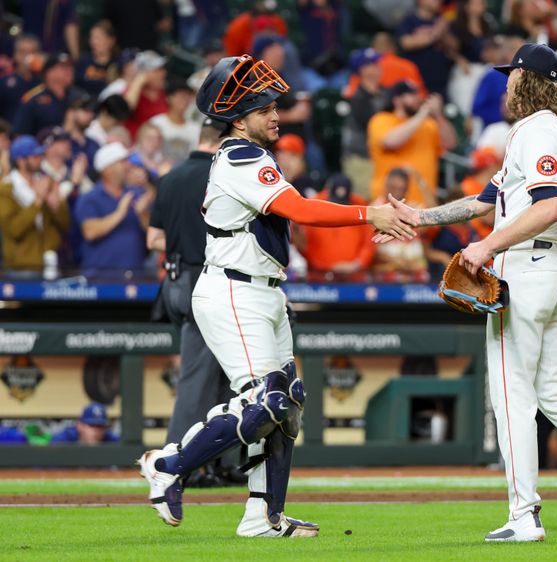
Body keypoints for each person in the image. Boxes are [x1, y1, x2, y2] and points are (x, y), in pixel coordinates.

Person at [384, 43, 557, 542]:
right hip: (552, 268)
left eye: (512, 75)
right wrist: (420, 218)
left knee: (513, 395)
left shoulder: (538, 131)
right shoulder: (535, 132)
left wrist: (488, 245)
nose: (506, 83)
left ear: (528, 80)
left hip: (529, 268)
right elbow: (486, 199)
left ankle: (523, 514)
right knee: (554, 391)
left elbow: (549, 205)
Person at [136, 53, 413, 538]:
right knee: (266, 403)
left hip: (263, 291)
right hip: (232, 291)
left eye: (274, 106)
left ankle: (263, 516)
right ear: (238, 118)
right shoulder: (240, 155)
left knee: (289, 401)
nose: (275, 114)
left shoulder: (255, 155)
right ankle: (170, 464)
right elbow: (299, 209)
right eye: (263, 108)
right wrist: (371, 214)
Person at [147, 119, 238, 483]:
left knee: (225, 377)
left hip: (179, 278)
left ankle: (222, 462)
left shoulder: (170, 177)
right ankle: (178, 464)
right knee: (202, 379)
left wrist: (181, 242)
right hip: (212, 280)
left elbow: (154, 239)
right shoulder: (223, 176)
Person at [367, 80, 456, 205]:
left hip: (423, 203)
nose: (418, 98)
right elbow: (391, 141)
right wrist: (423, 113)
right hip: (389, 203)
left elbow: (450, 143)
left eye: (417, 94)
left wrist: (438, 115)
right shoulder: (381, 119)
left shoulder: (428, 124)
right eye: (411, 95)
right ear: (397, 100)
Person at [74, 142, 152, 277]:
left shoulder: (136, 194)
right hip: (99, 278)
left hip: (134, 277)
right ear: (107, 169)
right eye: (122, 162)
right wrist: (120, 213)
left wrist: (143, 214)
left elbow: (152, 232)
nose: (128, 165)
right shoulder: (90, 198)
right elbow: (90, 232)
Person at [0, 135, 69, 273]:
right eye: (35, 156)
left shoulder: (46, 182)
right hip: (22, 266)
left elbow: (65, 224)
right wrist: (37, 201)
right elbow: (14, 229)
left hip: (51, 263)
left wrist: (55, 206)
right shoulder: (6, 189)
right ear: (21, 160)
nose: (40, 159)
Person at [297, 174, 375, 280]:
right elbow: (303, 244)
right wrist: (325, 266)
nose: (339, 209)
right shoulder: (314, 204)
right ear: (327, 192)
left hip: (353, 276)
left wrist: (357, 264)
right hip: (319, 275)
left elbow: (369, 243)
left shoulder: (360, 206)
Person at [341, 48, 385, 200]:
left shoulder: (382, 93)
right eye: (373, 64)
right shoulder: (358, 98)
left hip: (378, 160)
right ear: (363, 70)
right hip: (361, 162)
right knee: (365, 204)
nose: (378, 67)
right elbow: (378, 129)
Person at [13, 53, 75, 137]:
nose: (69, 71)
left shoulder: (77, 97)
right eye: (64, 68)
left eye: (71, 67)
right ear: (48, 72)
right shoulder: (34, 100)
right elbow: (20, 134)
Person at [148, 80, 201, 163]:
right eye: (181, 96)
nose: (185, 100)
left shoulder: (195, 128)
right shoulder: (156, 123)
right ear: (168, 98)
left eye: (188, 96)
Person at [0, 34, 42, 124]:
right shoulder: (4, 83)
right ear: (15, 55)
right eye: (22, 52)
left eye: (32, 52)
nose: (26, 57)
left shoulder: (43, 84)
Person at [74, 20, 119, 98]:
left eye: (98, 38)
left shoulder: (118, 64)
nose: (94, 42)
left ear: (111, 41)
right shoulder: (83, 60)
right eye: (92, 38)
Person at [50, 403, 119, 444]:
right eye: (91, 425)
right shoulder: (64, 439)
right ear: (80, 426)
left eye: (99, 426)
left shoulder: (111, 440)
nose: (96, 431)